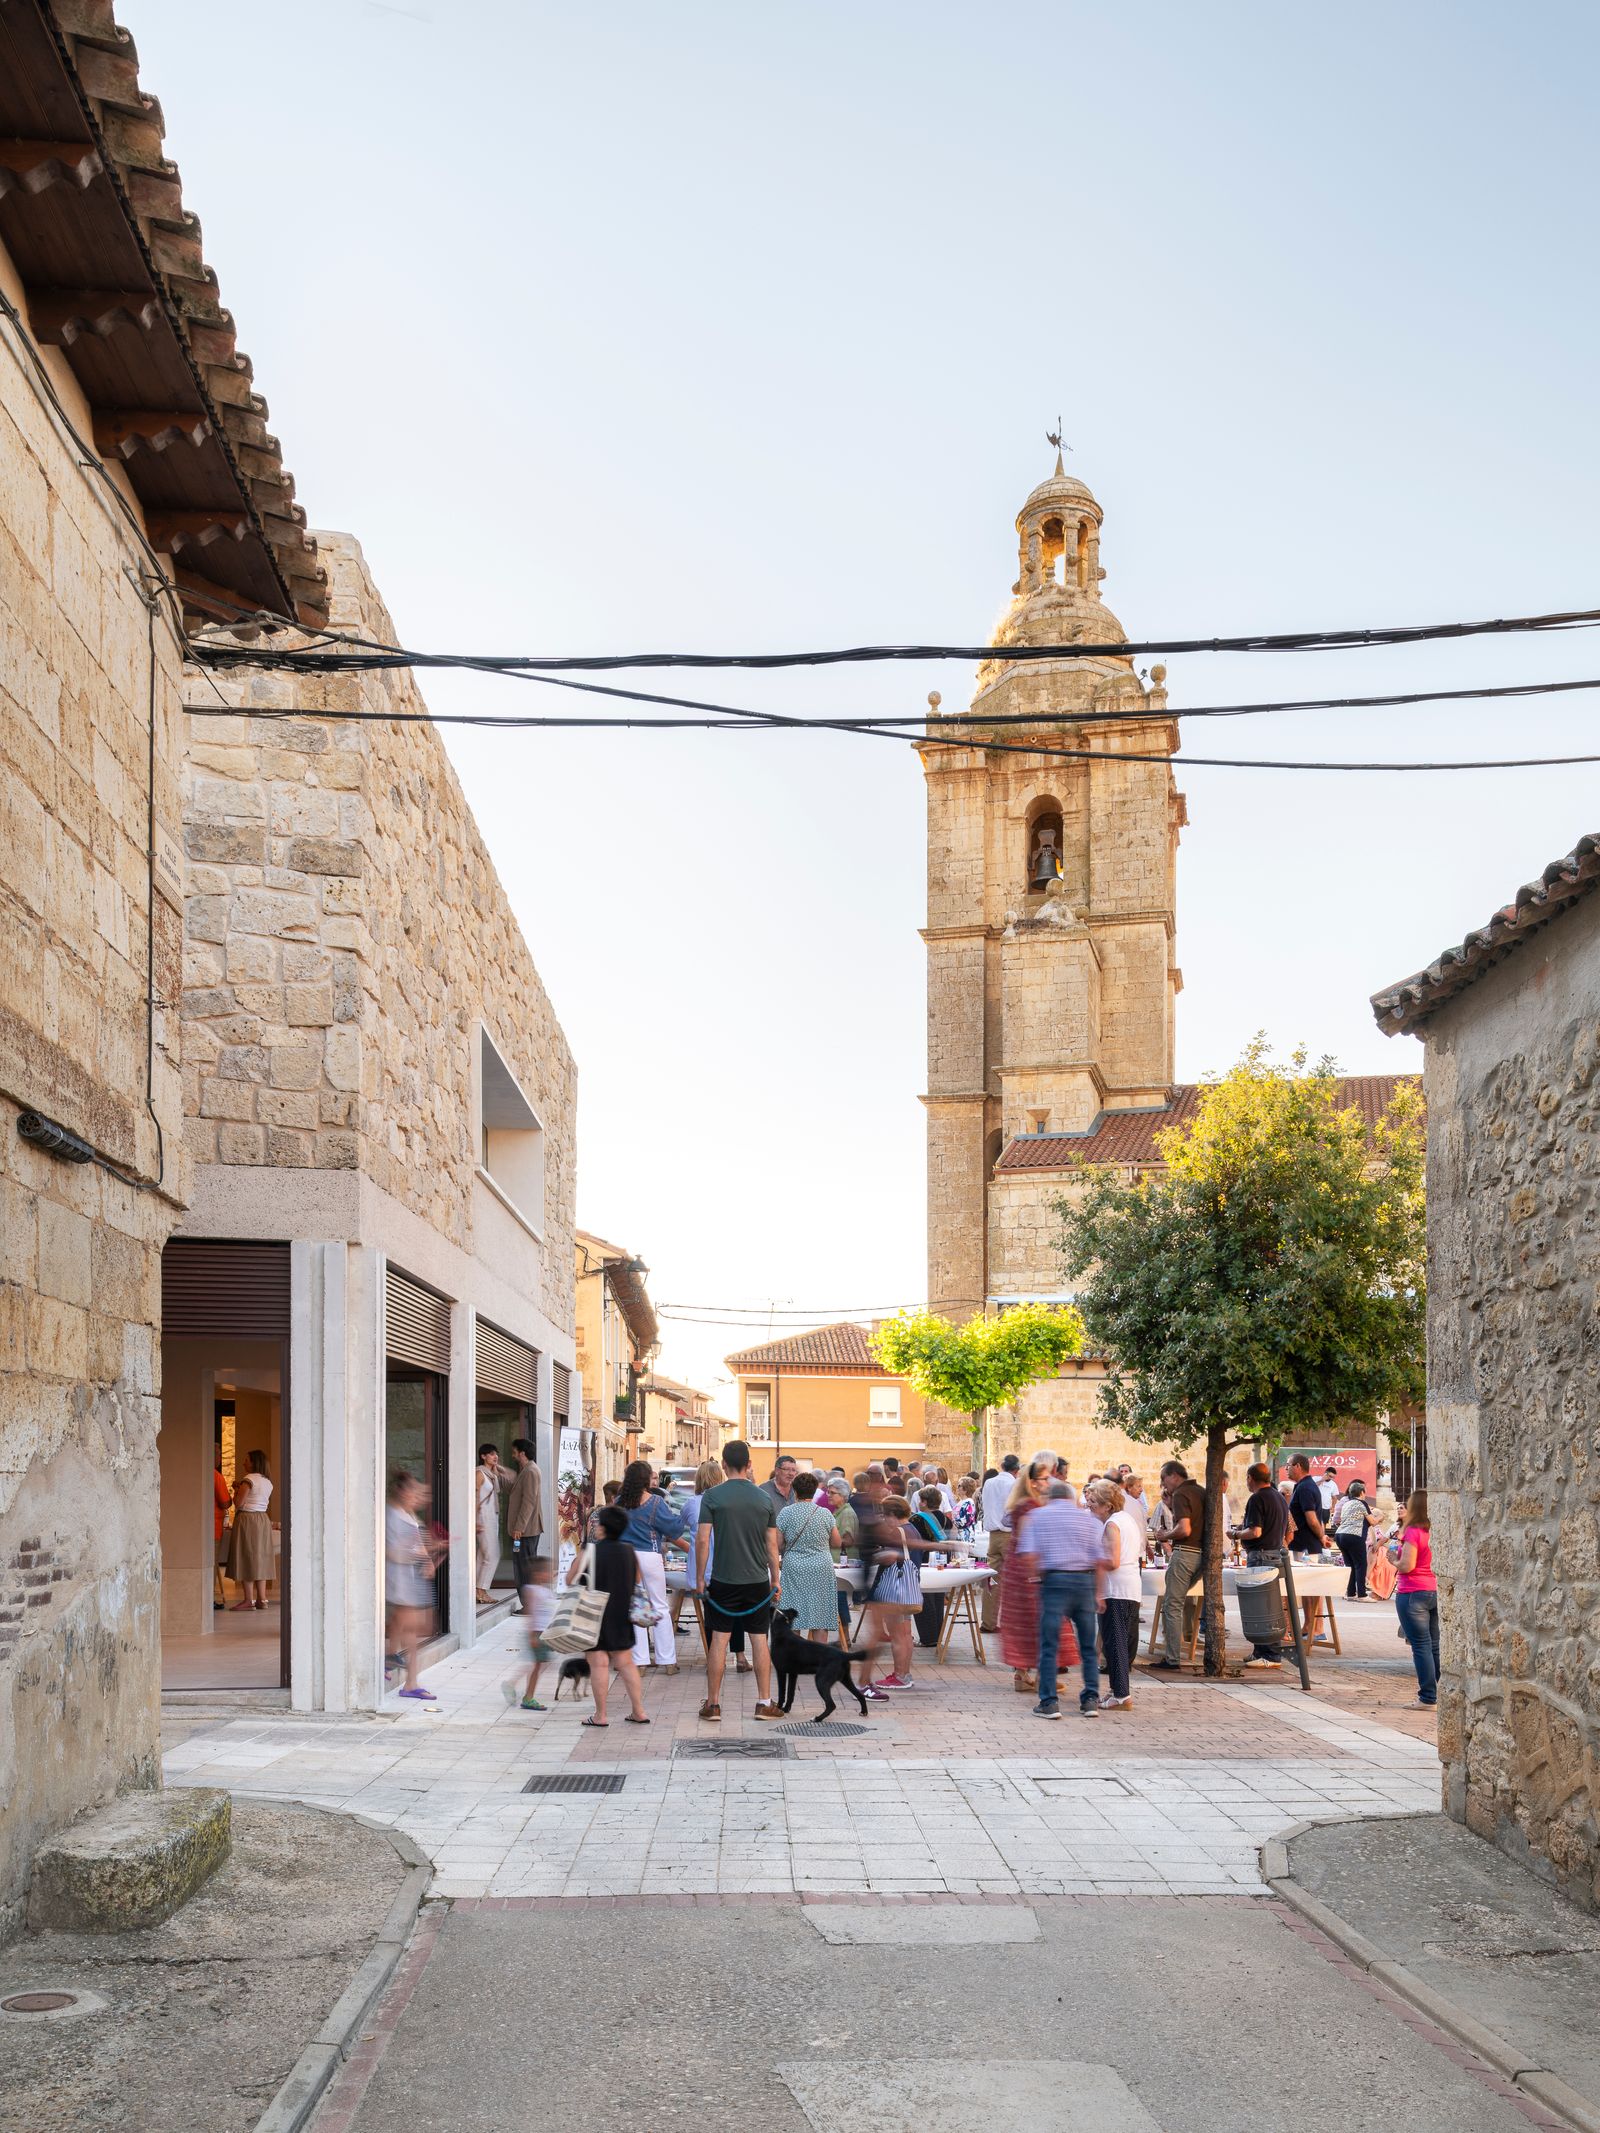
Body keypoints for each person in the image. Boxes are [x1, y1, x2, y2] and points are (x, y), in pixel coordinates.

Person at [694, 1441, 783, 1723]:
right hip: (757, 1580)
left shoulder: (712, 1496)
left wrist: (699, 1579)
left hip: (723, 1579)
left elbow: (702, 1539)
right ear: (749, 1465)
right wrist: (775, 1580)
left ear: (723, 1465)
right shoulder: (764, 1498)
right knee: (759, 1639)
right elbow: (772, 1547)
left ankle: (713, 1705)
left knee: (719, 1639)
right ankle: (764, 1703)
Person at [1018, 1481, 1106, 1719]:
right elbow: (1099, 1560)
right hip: (1084, 1583)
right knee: (1087, 1646)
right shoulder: (1088, 1519)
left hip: (1055, 1582)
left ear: (1049, 1497)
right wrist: (1098, 1593)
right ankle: (1090, 1700)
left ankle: (1049, 1702)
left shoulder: (1037, 1516)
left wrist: (1036, 1576)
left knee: (1049, 1645)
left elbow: (1030, 1555)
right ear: (1071, 1498)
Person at [566, 1504, 649, 1727]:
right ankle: (639, 1711)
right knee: (626, 1662)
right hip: (621, 1612)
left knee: (599, 1664)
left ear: (601, 1528)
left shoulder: (590, 1552)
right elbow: (638, 1579)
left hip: (593, 1614)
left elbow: (570, 1580)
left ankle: (601, 1715)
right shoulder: (629, 1550)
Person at [999, 1456, 1074, 1693]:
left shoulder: (1020, 1505)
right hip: (1030, 1573)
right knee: (1044, 1622)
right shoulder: (1031, 1507)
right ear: (1032, 1482)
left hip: (1016, 1571)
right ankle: (1043, 1677)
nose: (1047, 1482)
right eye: (1043, 1478)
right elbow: (1031, 1542)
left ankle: (1021, 1675)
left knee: (1024, 1621)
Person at [617, 1459, 689, 1674]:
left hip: (625, 1556)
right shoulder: (656, 1502)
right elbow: (673, 1529)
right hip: (650, 1556)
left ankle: (639, 1662)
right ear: (646, 1479)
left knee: (634, 1607)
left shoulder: (619, 1501)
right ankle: (667, 1661)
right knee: (659, 1606)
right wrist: (684, 1514)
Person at [385, 1468, 442, 1701]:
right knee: (413, 1631)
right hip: (400, 1579)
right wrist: (422, 1552)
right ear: (401, 1491)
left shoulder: (407, 1514)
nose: (417, 1496)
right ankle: (410, 1684)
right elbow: (394, 1551)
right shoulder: (391, 1515)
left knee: (407, 1623)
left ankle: (389, 1657)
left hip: (411, 1578)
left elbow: (417, 1542)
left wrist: (427, 1559)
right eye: (413, 1491)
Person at [860, 1494, 924, 1694]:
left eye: (885, 1515)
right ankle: (904, 1674)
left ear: (892, 1514)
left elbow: (890, 1557)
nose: (883, 1520)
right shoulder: (913, 1529)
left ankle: (899, 1675)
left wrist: (875, 1557)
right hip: (908, 1588)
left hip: (895, 1589)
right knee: (906, 1634)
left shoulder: (897, 1532)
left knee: (897, 1634)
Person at [1085, 1479, 1140, 1710]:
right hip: (1129, 1587)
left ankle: (1121, 1694)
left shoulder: (1112, 1525)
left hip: (1116, 1589)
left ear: (1108, 1505)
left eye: (1094, 1503)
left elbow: (1113, 1561)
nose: (1090, 1506)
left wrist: (1092, 1559)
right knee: (1118, 1641)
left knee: (1114, 1643)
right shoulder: (1125, 1519)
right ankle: (1118, 1689)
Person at [1231, 1460, 1289, 1667]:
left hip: (1261, 1554)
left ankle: (1271, 1654)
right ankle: (1259, 1651)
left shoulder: (1257, 1499)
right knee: (1264, 1605)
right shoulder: (1279, 1497)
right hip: (1273, 1553)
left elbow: (1255, 1531)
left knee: (1263, 1606)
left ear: (1250, 1478)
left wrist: (1235, 1533)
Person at [1151, 1460, 1206, 1670]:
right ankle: (1175, 1652)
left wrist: (1165, 1535)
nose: (1163, 1485)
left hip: (1186, 1552)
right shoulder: (1199, 1491)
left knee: (1172, 1605)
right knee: (1178, 1602)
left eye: (1163, 1479)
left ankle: (1172, 1658)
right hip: (1200, 1554)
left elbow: (1184, 1529)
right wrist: (1172, 1505)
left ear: (1174, 1475)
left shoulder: (1182, 1493)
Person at [777, 1471, 841, 1643]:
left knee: (793, 1617)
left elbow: (777, 1543)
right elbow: (836, 1542)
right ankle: (819, 1661)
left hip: (794, 1568)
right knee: (820, 1618)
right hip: (821, 1568)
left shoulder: (786, 1513)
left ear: (794, 1491)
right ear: (814, 1491)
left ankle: (795, 1660)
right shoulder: (825, 1514)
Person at [1394, 1489, 1439, 1707]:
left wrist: (1394, 1559)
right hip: (1433, 1589)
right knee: (1435, 1646)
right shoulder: (1435, 1531)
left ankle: (1428, 1697)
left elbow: (1407, 1565)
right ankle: (1440, 1693)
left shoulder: (1413, 1531)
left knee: (1421, 1646)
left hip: (1412, 1592)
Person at [1287, 1453, 1331, 1643]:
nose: (1286, 1468)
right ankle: (1308, 1625)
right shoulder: (1302, 1486)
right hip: (1301, 1544)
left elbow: (1312, 1518)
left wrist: (1321, 1537)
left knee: (1313, 1587)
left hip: (1307, 1546)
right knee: (1305, 1588)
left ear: (1297, 1466)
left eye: (1288, 1465)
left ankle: (1318, 1628)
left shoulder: (1306, 1487)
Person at [502, 1553, 555, 1711]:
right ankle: (526, 1696)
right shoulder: (531, 1590)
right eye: (548, 1571)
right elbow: (531, 1613)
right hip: (537, 1634)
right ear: (538, 1574)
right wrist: (532, 1635)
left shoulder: (546, 1591)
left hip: (543, 1633)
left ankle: (519, 1689)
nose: (551, 1574)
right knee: (535, 1666)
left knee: (536, 1665)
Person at [227, 1449, 274, 1611]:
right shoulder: (267, 1481)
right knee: (260, 1557)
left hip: (247, 1519)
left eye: (246, 1460)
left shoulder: (248, 1479)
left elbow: (239, 1503)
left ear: (254, 1462)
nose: (243, 1463)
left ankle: (248, 1600)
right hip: (262, 1519)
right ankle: (262, 1599)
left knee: (246, 1556)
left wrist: (235, 1491)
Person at [979, 1454, 1021, 1633]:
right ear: (1016, 1470)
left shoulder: (989, 1483)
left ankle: (988, 1622)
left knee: (992, 1581)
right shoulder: (1013, 1484)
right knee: (1015, 1581)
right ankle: (1014, 1623)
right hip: (1009, 1533)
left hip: (993, 1535)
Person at [910, 1485, 953, 1648]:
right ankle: (938, 1635)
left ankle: (928, 1638)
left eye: (921, 1500)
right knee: (938, 1597)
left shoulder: (917, 1519)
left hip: (924, 1561)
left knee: (924, 1598)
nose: (919, 1503)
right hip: (942, 1561)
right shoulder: (945, 1518)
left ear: (925, 1502)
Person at [506, 1437, 543, 1601]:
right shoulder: (526, 1470)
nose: (512, 1455)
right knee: (523, 1567)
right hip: (525, 1531)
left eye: (514, 1452)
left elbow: (529, 1501)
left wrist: (519, 1527)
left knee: (524, 1569)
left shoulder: (530, 1471)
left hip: (525, 1531)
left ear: (522, 1453)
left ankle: (528, 1604)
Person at [1330, 1480, 1374, 1600]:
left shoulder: (1346, 1503)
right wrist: (1381, 1517)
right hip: (1354, 1535)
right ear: (1361, 1492)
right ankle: (1362, 1594)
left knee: (1350, 1565)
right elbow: (1373, 1521)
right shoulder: (1361, 1503)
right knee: (1361, 1564)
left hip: (1340, 1535)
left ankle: (1350, 1593)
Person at [475, 1445, 507, 1603]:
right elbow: (474, 1498)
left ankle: (476, 1591)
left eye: (497, 1454)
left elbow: (512, 1476)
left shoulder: (493, 1474)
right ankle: (482, 1591)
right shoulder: (479, 1473)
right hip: (483, 1518)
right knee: (493, 1555)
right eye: (491, 1454)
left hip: (492, 1517)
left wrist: (497, 1467)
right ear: (483, 1456)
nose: (495, 1457)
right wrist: (474, 1521)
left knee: (482, 1556)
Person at [212, 1457, 232, 1609]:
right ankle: (209, 1599)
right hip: (214, 1526)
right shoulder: (216, 1476)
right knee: (212, 1564)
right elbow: (225, 1501)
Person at [1120, 1473, 1151, 1554]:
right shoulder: (1128, 1503)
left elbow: (1141, 1526)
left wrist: (1147, 1546)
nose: (1141, 1490)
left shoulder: (1136, 1502)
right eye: (1138, 1486)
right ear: (1129, 1487)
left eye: (1141, 1486)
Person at [953, 1473, 980, 1542]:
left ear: (965, 1489)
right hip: (959, 1535)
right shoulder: (961, 1502)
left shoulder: (968, 1502)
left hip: (965, 1536)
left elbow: (965, 1520)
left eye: (959, 1485)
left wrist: (952, 1522)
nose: (957, 1487)